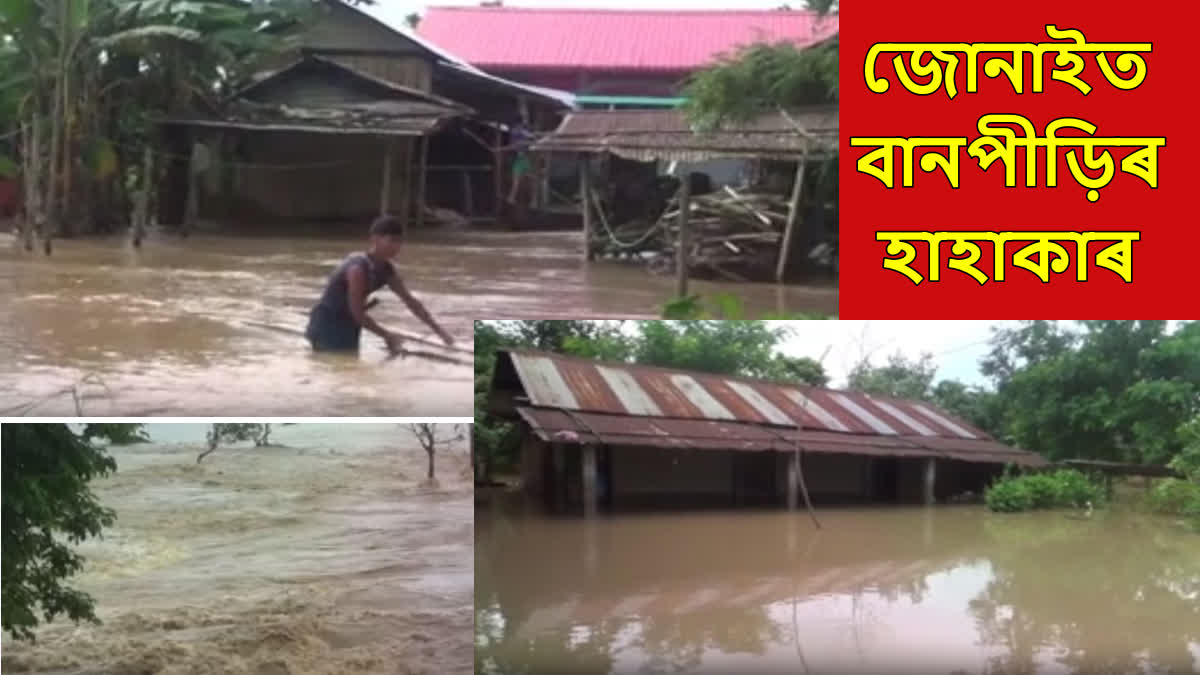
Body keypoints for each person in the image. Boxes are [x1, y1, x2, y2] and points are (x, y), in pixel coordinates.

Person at [305, 215, 454, 355]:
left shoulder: (387, 270)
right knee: (340, 368)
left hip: (350, 324)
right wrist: (387, 336)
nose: (396, 246)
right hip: (328, 324)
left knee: (349, 367)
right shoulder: (357, 269)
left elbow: (411, 302)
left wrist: (441, 333)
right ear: (375, 239)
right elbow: (357, 312)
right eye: (391, 240)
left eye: (399, 241)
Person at [506, 122, 535, 206]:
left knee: (531, 181)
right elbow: (514, 145)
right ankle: (511, 197)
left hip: (524, 160)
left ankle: (532, 200)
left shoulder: (522, 133)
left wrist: (528, 137)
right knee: (516, 182)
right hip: (518, 160)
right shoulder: (515, 134)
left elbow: (531, 137)